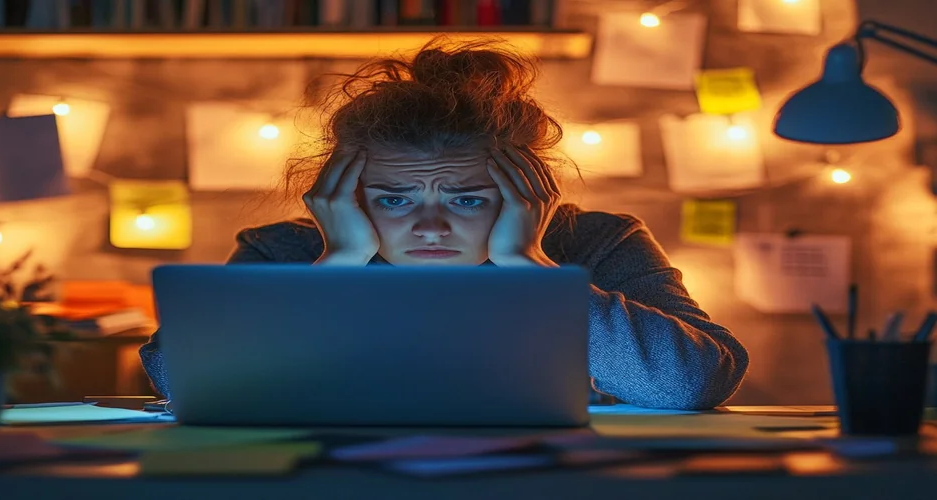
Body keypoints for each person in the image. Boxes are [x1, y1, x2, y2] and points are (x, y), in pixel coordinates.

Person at [140, 39, 748, 410]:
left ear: (527, 194)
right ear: (346, 198)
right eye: (395, 200)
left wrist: (531, 271)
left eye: (466, 200)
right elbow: (181, 379)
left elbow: (691, 384)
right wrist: (332, 273)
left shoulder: (596, 242)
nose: (430, 227)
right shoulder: (287, 253)